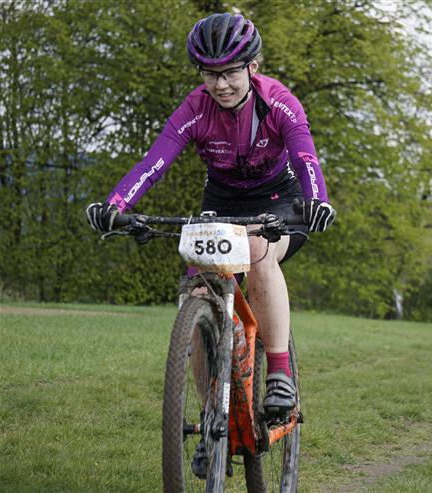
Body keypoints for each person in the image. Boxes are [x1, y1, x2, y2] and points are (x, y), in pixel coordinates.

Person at [85, 13, 335, 415]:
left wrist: (317, 200)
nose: (220, 85)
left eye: (230, 72)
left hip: (278, 202)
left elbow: (305, 157)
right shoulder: (196, 108)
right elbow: (153, 164)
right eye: (210, 74)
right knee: (199, 292)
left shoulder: (279, 102)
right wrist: (116, 206)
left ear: (253, 67)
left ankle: (280, 375)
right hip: (221, 204)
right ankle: (210, 417)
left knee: (258, 251)